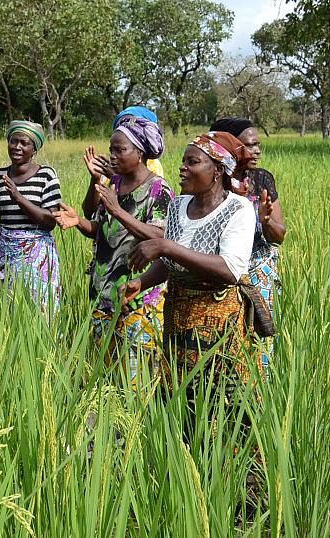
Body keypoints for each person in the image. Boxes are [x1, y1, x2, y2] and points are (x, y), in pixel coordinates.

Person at [123, 131, 258, 401]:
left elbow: (230, 270)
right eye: (183, 161)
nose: (183, 168)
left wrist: (165, 245)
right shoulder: (178, 206)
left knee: (220, 401)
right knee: (179, 397)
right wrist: (142, 282)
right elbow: (172, 264)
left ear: (218, 170)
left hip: (219, 321)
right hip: (178, 319)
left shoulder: (237, 209)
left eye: (192, 162)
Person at [54, 117, 174, 384]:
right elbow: (104, 230)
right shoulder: (115, 184)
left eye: (121, 149)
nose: (113, 155)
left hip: (138, 300)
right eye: (112, 149)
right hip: (104, 295)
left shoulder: (159, 189)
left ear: (140, 153)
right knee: (106, 381)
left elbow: (160, 237)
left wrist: (118, 210)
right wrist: (79, 222)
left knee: (136, 383)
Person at [210, 117, 286, 372]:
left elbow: (279, 235)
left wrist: (265, 222)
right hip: (222, 267)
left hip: (257, 267)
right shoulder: (213, 179)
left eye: (258, 145)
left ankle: (259, 393)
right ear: (230, 147)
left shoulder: (262, 179)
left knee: (259, 336)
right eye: (249, 145)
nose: (257, 151)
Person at [0, 120, 61, 318]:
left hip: (38, 252)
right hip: (7, 251)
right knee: (11, 310)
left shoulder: (46, 175)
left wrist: (18, 197)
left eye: (24, 143)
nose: (17, 147)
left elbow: (51, 221)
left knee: (42, 310)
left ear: (34, 149)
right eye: (13, 141)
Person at [83, 106, 165, 218]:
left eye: (129, 123)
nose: (124, 127)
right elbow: (91, 215)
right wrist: (96, 179)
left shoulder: (153, 169)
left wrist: (114, 177)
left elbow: (139, 212)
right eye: (122, 124)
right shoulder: (117, 164)